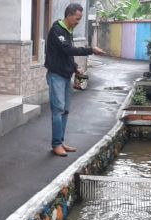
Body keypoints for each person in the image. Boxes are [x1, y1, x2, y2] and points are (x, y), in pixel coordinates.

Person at [45, 3, 106, 157]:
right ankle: (56, 144)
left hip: (66, 76)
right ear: (69, 15)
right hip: (56, 76)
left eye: (80, 19)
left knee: (65, 110)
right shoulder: (57, 31)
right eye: (77, 18)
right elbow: (68, 49)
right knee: (58, 110)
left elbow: (66, 55)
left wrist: (74, 67)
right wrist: (91, 49)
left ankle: (61, 141)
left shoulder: (68, 31)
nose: (78, 21)